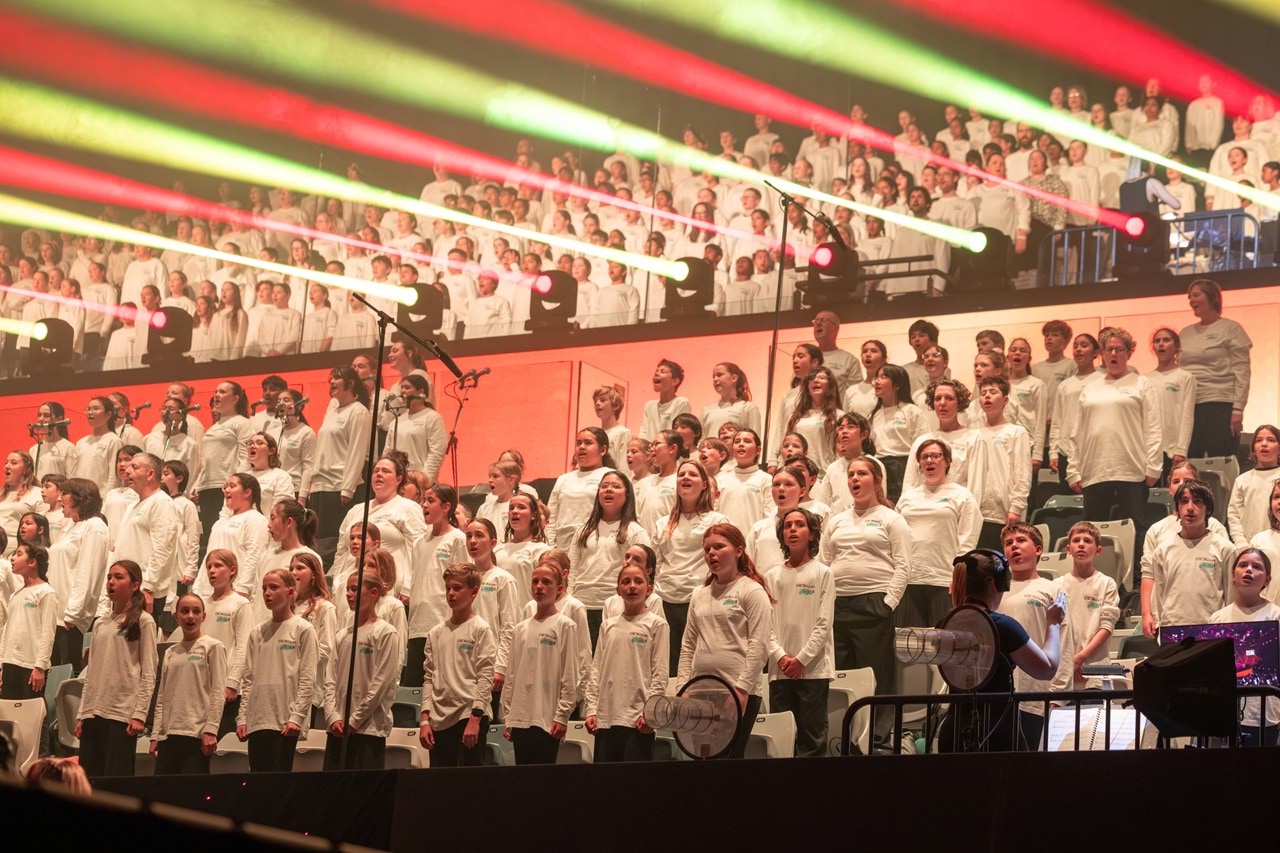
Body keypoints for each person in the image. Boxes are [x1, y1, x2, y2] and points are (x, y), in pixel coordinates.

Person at [936, 550, 1064, 753]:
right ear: (994, 583)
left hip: (954, 730)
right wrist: (1053, 624)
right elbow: (1046, 668)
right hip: (998, 732)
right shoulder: (1002, 626)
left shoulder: (943, 624)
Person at [819, 459, 911, 704]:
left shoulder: (891, 519)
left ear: (877, 481)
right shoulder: (837, 520)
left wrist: (887, 603)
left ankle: (876, 737)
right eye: (851, 475)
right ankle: (843, 735)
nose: (854, 479)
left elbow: (903, 566)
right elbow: (823, 563)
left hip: (873, 603)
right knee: (840, 675)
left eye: (861, 474)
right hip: (837, 604)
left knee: (875, 675)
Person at [677, 523, 772, 759]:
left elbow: (759, 645)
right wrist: (682, 688)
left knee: (729, 761)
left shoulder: (751, 591)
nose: (711, 553)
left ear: (739, 551)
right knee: (704, 758)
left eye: (719, 547)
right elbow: (688, 645)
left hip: (736, 690)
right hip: (701, 690)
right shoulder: (700, 594)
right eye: (707, 548)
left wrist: (741, 690)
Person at [1065, 328, 1161, 559]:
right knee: (1092, 531)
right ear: (1103, 354)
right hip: (1094, 469)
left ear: (1128, 353)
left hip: (1131, 469)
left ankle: (1136, 580)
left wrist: (1154, 466)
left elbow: (1154, 426)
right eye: (1110, 349)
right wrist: (1073, 469)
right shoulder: (1090, 388)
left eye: (1120, 349)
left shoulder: (1141, 383)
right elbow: (1077, 431)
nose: (1114, 353)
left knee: (1135, 527)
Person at [76, 560, 158, 778]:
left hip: (121, 713)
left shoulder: (143, 621)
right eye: (109, 577)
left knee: (116, 781)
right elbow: (92, 671)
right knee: (89, 781)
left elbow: (149, 672)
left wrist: (140, 714)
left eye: (118, 577)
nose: (111, 582)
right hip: (94, 711)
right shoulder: (100, 623)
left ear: (134, 585)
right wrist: (82, 713)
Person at [765, 508, 834, 758]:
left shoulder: (823, 573)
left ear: (813, 534)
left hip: (813, 670)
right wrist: (781, 656)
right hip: (780, 671)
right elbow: (767, 625)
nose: (792, 529)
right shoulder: (772, 576)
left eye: (799, 525)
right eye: (787, 525)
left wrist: (801, 660)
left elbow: (823, 623)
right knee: (781, 742)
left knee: (812, 741)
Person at [584, 561, 669, 763]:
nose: (632, 586)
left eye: (638, 581)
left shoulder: (657, 625)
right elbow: (596, 671)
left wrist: (651, 713)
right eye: (626, 582)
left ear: (648, 589)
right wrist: (591, 709)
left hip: (637, 721)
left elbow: (660, 673)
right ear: (618, 589)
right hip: (606, 719)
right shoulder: (608, 626)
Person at [997, 523, 1072, 750]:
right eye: (1009, 543)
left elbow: (1065, 641)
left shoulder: (1051, 589)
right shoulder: (995, 590)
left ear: (1038, 549)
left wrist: (1058, 695)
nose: (1014, 547)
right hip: (1001, 692)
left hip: (1035, 694)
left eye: (1021, 541)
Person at [236, 568, 319, 772]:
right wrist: (242, 717)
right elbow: (248, 679)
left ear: (290, 592)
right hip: (258, 720)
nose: (267, 593)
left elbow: (308, 678)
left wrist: (297, 716)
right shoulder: (258, 632)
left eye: (274, 587)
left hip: (284, 720)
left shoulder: (303, 629)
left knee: (278, 782)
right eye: (264, 588)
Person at [322, 568, 403, 770]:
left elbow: (382, 682)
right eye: (348, 589)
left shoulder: (385, 632)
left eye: (355, 589)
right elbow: (330, 678)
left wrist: (354, 720)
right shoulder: (343, 635)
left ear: (373, 593)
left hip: (367, 729)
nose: (349, 594)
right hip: (338, 728)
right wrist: (333, 716)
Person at [896, 440, 981, 629]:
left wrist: (957, 578)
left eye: (935, 456)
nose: (929, 461)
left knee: (944, 645)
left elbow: (968, 540)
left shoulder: (962, 496)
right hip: (910, 579)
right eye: (924, 457)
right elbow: (896, 539)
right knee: (910, 648)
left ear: (948, 461)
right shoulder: (908, 497)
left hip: (944, 580)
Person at [502, 560, 581, 765]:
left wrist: (562, 715)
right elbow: (511, 675)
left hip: (547, 717)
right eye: (535, 581)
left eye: (546, 582)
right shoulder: (521, 629)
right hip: (521, 716)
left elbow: (570, 674)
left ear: (559, 588)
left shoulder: (565, 626)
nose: (539, 586)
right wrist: (509, 715)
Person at [653, 461, 729, 672]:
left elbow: (725, 563)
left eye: (692, 475)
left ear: (704, 484)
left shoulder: (717, 520)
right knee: (667, 665)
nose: (685, 478)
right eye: (681, 474)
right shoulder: (662, 523)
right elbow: (657, 563)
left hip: (700, 598)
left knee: (695, 662)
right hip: (665, 599)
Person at [419, 562, 496, 767]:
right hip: (438, 719)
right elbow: (429, 678)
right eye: (448, 588)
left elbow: (485, 676)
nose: (451, 593)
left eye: (457, 588)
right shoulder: (435, 633)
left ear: (474, 591)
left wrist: (475, 718)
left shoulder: (481, 629)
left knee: (466, 787)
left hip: (467, 715)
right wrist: (425, 719)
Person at [1141, 481, 1235, 639]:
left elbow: (1231, 598)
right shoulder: (1162, 552)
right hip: (1173, 632)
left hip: (1212, 631)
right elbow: (1160, 598)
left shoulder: (1225, 549)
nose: (1190, 507)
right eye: (1184, 501)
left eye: (1197, 501)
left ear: (1208, 509)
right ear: (1177, 509)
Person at [149, 593, 227, 775]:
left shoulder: (213, 647)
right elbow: (162, 696)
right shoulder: (170, 652)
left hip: (196, 734)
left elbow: (217, 692)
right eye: (184, 611)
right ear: (176, 616)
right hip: (168, 735)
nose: (190, 616)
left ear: (203, 616)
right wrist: (155, 735)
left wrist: (211, 729)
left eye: (196, 611)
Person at [568, 472, 649, 645]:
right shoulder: (583, 531)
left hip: (616, 606)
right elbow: (572, 569)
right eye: (604, 486)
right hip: (582, 605)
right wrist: (568, 602)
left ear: (627, 495)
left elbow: (644, 572)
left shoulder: (636, 531)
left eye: (616, 486)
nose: (608, 490)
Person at [1210, 548, 1280, 746]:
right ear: (1233, 575)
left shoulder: (1276, 616)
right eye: (1243, 565)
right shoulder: (1218, 618)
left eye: (1256, 567)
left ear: (1267, 579)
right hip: (1224, 712)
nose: (1248, 570)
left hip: (1264, 714)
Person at [337, 455, 427, 600]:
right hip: (350, 580)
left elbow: (417, 549)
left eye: (385, 471)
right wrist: (337, 580)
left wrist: (408, 586)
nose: (379, 474)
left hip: (386, 582)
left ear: (398, 479)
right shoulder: (356, 509)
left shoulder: (408, 507)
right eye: (376, 471)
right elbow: (341, 550)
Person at [1179, 280, 1252, 458]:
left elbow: (1242, 372)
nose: (1191, 300)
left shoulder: (1231, 329)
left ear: (1212, 298)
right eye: (1189, 297)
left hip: (1220, 404)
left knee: (1221, 459)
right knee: (1190, 460)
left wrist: (1238, 410)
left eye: (1196, 295)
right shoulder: (1185, 333)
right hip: (1188, 405)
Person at [404, 484, 468, 686]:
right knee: (415, 687)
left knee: (440, 684)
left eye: (431, 501)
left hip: (443, 622)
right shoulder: (419, 542)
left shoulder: (457, 539)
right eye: (423, 500)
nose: (424, 505)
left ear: (446, 506)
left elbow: (464, 581)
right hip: (417, 625)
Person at [47, 478, 109, 671]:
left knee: (68, 669)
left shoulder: (95, 526)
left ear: (79, 498)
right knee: (54, 669)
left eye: (64, 494)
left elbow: (87, 571)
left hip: (70, 618)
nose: (59, 499)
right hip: (56, 613)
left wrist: (73, 612)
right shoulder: (71, 526)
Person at [305, 367, 372, 542]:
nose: (331, 382)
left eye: (337, 378)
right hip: (320, 485)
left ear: (350, 383)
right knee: (318, 538)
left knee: (334, 540)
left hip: (339, 487)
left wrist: (348, 488)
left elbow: (357, 452)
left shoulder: (358, 411)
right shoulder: (332, 409)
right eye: (331, 378)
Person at [967, 377, 1032, 548]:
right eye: (983, 393)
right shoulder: (973, 434)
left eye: (993, 392)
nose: (987, 396)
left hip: (1005, 512)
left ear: (1005, 400)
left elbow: (1023, 472)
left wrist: (1016, 507)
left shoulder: (1017, 432)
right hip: (977, 513)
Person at [1058, 523, 1120, 688]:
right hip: (1065, 670)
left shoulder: (1107, 583)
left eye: (1087, 540)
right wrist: (1069, 660)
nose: (1081, 544)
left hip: (1095, 670)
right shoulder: (1057, 585)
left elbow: (1106, 627)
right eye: (1076, 540)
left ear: (1098, 550)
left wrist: (1081, 657)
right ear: (1068, 549)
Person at [196, 473, 269, 612]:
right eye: (225, 487)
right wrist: (198, 586)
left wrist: (242, 589)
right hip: (208, 592)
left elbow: (255, 556)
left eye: (232, 486)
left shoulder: (255, 519)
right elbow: (209, 555)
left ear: (247, 492)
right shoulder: (221, 522)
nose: (226, 490)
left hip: (236, 592)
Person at [193, 382, 253, 549]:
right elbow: (206, 460)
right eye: (215, 391)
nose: (216, 395)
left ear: (235, 398)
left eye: (222, 392)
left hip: (226, 488)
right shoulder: (213, 427)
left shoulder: (241, 423)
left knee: (225, 538)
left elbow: (245, 457)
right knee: (210, 539)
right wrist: (197, 485)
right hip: (207, 488)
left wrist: (236, 484)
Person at [0, 544, 55, 699]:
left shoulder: (46, 592)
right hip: (11, 663)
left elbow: (47, 633)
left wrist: (40, 666)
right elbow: (7, 631)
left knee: (30, 716)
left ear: (32, 562)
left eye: (18, 554)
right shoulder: (15, 595)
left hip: (31, 666)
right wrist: (2, 665)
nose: (12, 558)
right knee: (8, 717)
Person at [547, 428, 615, 550]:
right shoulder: (563, 479)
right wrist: (550, 547)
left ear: (603, 450)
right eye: (579, 443)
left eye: (588, 443)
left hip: (595, 544)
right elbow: (551, 517)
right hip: (563, 546)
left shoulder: (611, 476)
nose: (582, 447)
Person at [868, 364, 926, 502]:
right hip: (879, 466)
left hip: (903, 465)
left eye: (883, 377)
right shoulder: (873, 414)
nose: (877, 381)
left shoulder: (912, 411)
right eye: (876, 377)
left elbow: (922, 444)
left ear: (897, 385)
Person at [1049, 334, 1101, 486]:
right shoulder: (1065, 385)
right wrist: (1053, 451)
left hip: (1092, 449)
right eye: (1076, 346)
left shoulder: (1102, 380)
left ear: (1095, 352)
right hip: (1066, 450)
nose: (1078, 350)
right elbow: (1057, 421)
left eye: (1084, 346)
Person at [1147, 328, 1197, 484]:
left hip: (1172, 449)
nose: (1161, 344)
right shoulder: (1145, 380)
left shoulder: (1185, 377)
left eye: (1166, 340)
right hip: (1150, 450)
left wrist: (1181, 449)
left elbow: (1187, 415)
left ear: (1176, 346)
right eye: (1157, 341)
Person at [494, 492, 551, 612]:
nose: (514, 511)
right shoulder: (497, 550)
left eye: (521, 507)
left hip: (528, 616)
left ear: (533, 515)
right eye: (511, 508)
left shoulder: (541, 550)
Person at [1228, 425, 1280, 546]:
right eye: (1259, 440)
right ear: (1253, 448)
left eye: (1271, 440)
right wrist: (1242, 545)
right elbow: (1234, 516)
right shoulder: (1242, 480)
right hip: (1250, 546)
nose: (1264, 444)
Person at [787, 366, 844, 471]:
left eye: (821, 378)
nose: (816, 380)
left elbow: (842, 449)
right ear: (807, 386)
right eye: (811, 379)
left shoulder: (839, 415)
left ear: (830, 385)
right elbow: (787, 446)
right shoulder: (794, 416)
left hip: (826, 471)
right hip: (799, 473)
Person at [73, 397, 123, 496]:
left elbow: (113, 475)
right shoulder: (81, 442)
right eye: (88, 409)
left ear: (108, 414)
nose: (90, 412)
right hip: (80, 496)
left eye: (95, 409)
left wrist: (106, 498)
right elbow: (75, 472)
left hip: (100, 496)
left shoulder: (114, 440)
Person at [702, 362, 762, 439]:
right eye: (713, 377)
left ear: (734, 378)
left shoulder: (748, 408)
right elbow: (702, 440)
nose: (715, 379)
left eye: (719, 375)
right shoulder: (707, 409)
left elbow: (754, 440)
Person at [811, 310, 862, 396]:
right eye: (815, 321)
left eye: (824, 320)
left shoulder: (849, 361)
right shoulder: (807, 357)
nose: (818, 324)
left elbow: (854, 395)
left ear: (836, 328)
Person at [638, 359, 691, 440]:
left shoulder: (681, 402)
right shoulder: (649, 405)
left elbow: (675, 433)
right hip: (650, 451)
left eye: (662, 371)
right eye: (656, 371)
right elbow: (644, 432)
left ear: (675, 381)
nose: (656, 373)